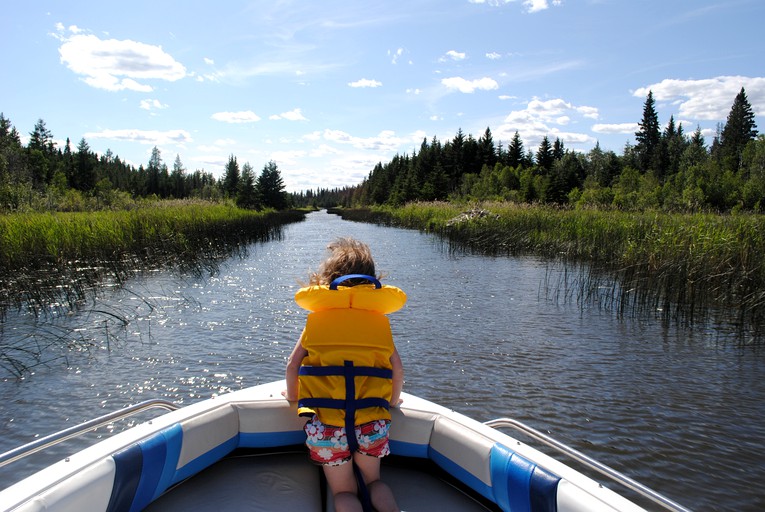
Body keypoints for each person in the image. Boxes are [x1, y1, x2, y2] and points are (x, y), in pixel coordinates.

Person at [284, 237, 406, 512]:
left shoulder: (316, 322)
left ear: (327, 281)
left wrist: (293, 397)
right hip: (371, 424)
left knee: (343, 492)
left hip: (327, 429)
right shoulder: (378, 324)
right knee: (374, 481)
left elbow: (293, 366)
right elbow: (397, 370)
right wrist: (392, 402)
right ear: (372, 282)